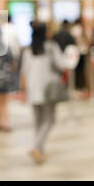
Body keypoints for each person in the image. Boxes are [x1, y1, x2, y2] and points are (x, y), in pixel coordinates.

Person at [20, 22, 66, 164]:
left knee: (39, 121)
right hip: (48, 89)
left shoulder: (28, 49)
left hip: (33, 89)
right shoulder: (51, 47)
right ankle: (36, 147)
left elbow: (24, 71)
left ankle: (40, 150)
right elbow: (62, 64)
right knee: (50, 119)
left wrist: (23, 90)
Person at [71, 18, 88, 89]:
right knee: (81, 69)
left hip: (78, 51)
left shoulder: (74, 29)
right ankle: (81, 85)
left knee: (77, 69)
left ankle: (77, 85)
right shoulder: (80, 28)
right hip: (82, 50)